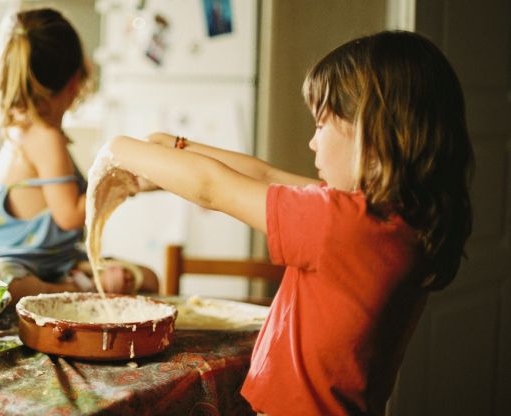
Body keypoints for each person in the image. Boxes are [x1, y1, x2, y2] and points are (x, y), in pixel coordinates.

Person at [99, 30, 473, 415]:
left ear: (371, 132)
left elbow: (211, 188)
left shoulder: (339, 224)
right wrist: (177, 146)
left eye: (321, 125)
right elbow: (266, 176)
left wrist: (117, 149)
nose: (312, 142)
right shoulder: (388, 222)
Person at [0, 8, 158, 305]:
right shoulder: (43, 136)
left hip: (58, 264)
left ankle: (73, 287)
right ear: (76, 80)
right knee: (0, 282)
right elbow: (69, 217)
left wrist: (138, 180)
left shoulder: (28, 129)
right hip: (16, 267)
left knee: (147, 277)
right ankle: (78, 292)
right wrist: (124, 182)